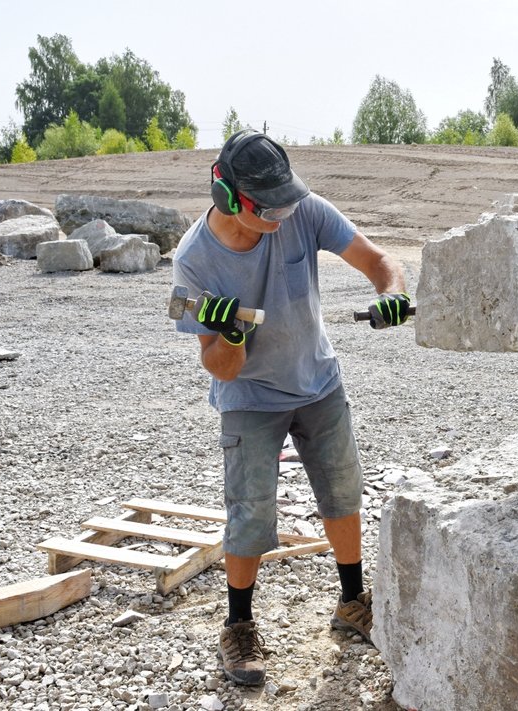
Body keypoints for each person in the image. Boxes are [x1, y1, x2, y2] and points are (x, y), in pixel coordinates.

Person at [171, 129, 411, 686]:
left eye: (286, 199)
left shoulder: (301, 210)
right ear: (229, 196)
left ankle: (353, 602)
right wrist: (229, 334)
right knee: (250, 510)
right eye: (269, 205)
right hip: (250, 397)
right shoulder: (194, 263)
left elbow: (379, 259)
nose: (282, 212)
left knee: (342, 490)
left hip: (318, 381)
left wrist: (391, 291)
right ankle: (239, 626)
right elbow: (219, 366)